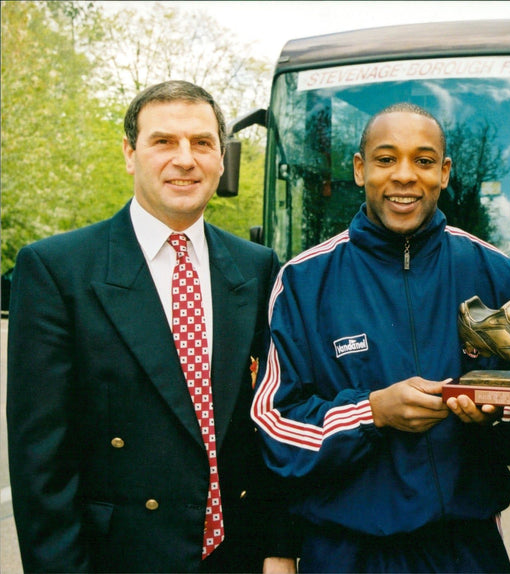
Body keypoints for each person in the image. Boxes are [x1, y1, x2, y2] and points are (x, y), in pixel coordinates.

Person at [7, 80, 298, 573]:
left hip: (237, 557)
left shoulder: (257, 267)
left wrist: (278, 548)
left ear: (222, 160)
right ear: (130, 153)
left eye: (203, 143)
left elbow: (271, 423)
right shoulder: (57, 270)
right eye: (164, 141)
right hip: (117, 557)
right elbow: (42, 466)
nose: (185, 159)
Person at [251, 103, 510, 573]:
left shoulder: (495, 273)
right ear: (359, 168)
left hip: (466, 552)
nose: (405, 176)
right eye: (386, 159)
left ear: (445, 172)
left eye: (424, 160)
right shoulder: (304, 282)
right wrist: (373, 412)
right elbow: (274, 429)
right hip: (346, 553)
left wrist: (492, 416)